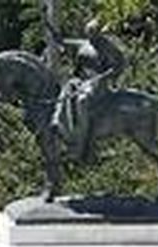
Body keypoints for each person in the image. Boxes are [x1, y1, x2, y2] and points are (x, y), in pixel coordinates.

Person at [51, 18, 127, 161]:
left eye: (94, 33)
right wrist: (50, 26)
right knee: (65, 90)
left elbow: (120, 64)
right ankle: (59, 122)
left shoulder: (108, 47)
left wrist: (106, 75)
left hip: (98, 83)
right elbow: (61, 40)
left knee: (82, 101)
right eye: (89, 33)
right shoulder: (83, 44)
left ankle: (82, 142)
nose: (91, 35)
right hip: (82, 80)